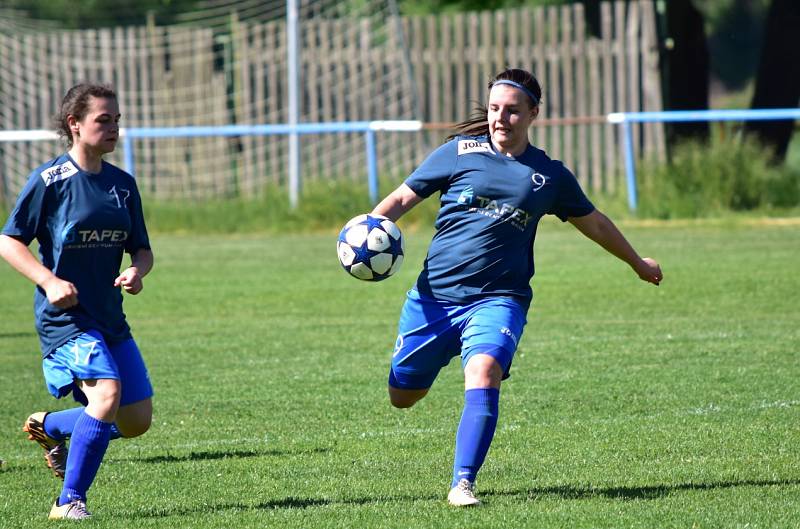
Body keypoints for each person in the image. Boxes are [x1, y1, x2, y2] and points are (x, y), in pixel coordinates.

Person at [371, 68, 662, 507]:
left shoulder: (549, 176)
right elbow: (400, 200)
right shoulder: (456, 153)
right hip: (433, 299)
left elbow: (596, 223)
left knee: (485, 370)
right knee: (403, 397)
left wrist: (637, 263)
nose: (500, 119)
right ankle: (433, 364)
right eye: (493, 109)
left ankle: (462, 483)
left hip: (498, 299)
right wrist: (369, 230)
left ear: (533, 114)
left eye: (511, 111)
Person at [0, 83, 154, 520]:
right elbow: (9, 241)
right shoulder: (50, 181)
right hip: (64, 319)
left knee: (134, 420)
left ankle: (48, 426)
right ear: (75, 124)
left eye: (117, 120)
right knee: (105, 396)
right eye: (103, 120)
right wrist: (48, 281)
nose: (113, 128)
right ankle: (69, 502)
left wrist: (137, 271)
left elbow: (141, 248)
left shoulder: (123, 185)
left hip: (109, 315)